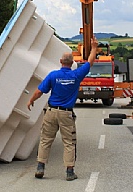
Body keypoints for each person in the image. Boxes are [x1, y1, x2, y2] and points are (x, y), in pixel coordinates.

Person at [27, 36, 98, 181]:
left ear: (60, 62)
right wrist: (94, 48)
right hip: (66, 114)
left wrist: (31, 100)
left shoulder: (53, 75)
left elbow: (40, 91)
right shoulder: (76, 75)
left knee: (46, 139)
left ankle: (40, 167)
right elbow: (90, 62)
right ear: (72, 63)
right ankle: (69, 171)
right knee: (69, 142)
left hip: (51, 112)